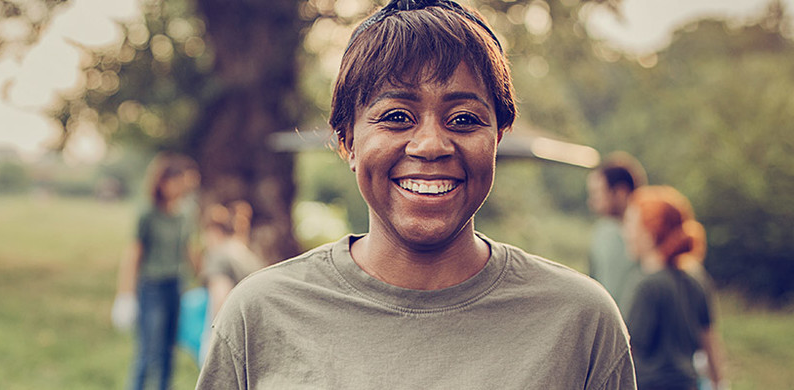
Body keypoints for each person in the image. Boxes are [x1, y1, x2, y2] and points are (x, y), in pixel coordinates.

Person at [196, 1, 635, 388]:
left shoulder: (580, 322)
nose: (430, 145)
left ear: (498, 137)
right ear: (347, 140)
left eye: (463, 119)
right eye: (397, 116)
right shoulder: (261, 315)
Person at [622, 186, 727, 390]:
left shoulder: (647, 285)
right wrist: (719, 384)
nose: (626, 233)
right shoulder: (696, 278)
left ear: (650, 233)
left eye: (631, 224)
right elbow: (710, 341)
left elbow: (626, 352)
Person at [112, 154, 199, 390]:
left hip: (176, 286)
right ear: (162, 182)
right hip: (152, 287)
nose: (181, 186)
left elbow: (187, 249)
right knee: (148, 350)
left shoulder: (186, 212)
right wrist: (125, 294)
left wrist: (201, 277)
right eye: (177, 181)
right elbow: (133, 255)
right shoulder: (148, 213)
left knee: (168, 352)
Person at [196, 202, 265, 363]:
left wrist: (213, 340)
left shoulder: (219, 256)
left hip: (231, 338)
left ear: (213, 231)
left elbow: (220, 295)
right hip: (254, 337)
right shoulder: (246, 253)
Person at [588, 152, 649, 312]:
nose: (592, 202)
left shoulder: (610, 234)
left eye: (598, 193)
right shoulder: (603, 231)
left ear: (620, 192)